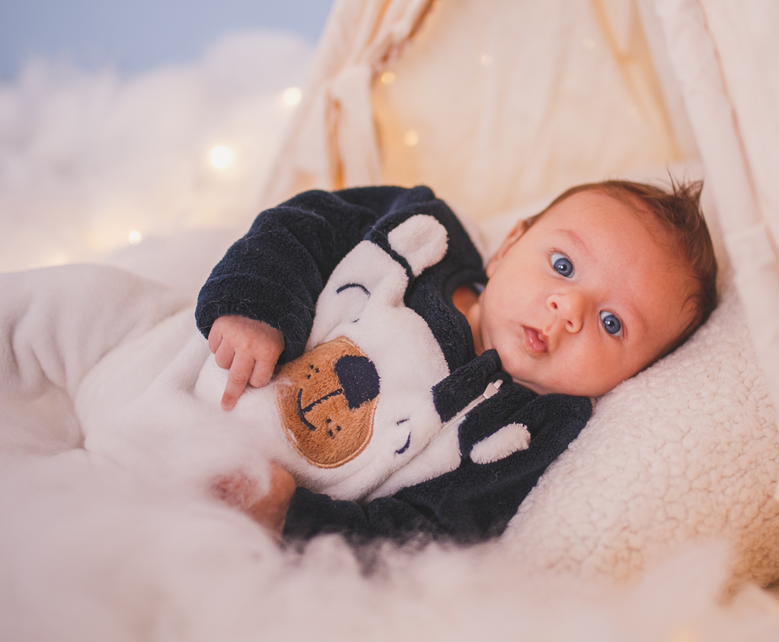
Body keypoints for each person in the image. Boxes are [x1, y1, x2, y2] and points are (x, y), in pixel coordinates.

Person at [196, 180, 718, 545]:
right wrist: (255, 307)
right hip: (194, 388)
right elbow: (301, 227)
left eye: (612, 324)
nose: (570, 310)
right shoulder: (421, 237)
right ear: (509, 245)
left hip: (238, 525)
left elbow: (426, 534)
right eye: (563, 266)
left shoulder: (520, 436)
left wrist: (289, 517)